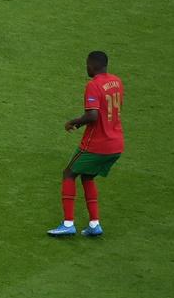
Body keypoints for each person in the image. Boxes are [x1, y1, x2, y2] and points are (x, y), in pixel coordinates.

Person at [48, 51, 125, 237]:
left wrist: (74, 122)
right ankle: (94, 224)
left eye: (87, 64)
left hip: (97, 143)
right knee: (87, 176)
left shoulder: (93, 85)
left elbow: (92, 116)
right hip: (116, 143)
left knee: (69, 173)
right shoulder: (117, 81)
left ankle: (68, 224)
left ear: (92, 65)